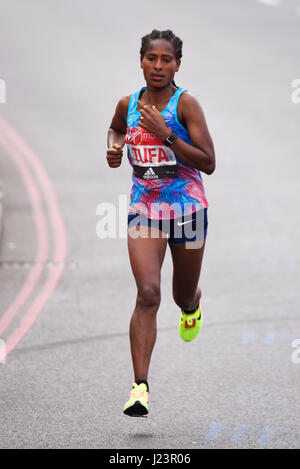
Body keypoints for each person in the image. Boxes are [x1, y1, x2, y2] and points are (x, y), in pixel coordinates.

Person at [106, 29, 215, 418]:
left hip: (188, 212)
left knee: (179, 296)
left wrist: (166, 135)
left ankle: (192, 305)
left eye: (166, 60)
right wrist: (115, 147)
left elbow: (208, 163)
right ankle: (140, 388)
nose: (158, 66)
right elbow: (117, 127)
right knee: (147, 294)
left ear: (177, 65)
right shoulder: (128, 103)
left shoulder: (186, 106)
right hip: (145, 210)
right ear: (140, 60)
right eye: (151, 58)